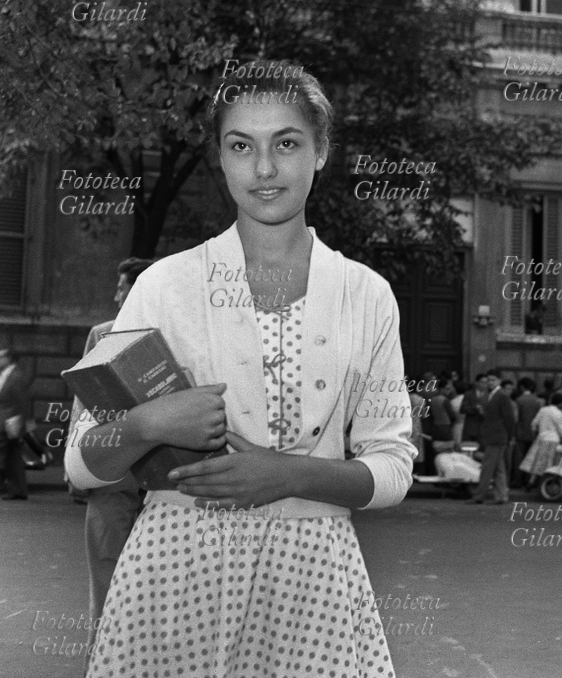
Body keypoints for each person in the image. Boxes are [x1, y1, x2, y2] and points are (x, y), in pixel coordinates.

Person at [65, 61, 417, 677]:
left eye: (286, 143)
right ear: (220, 158)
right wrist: (147, 425)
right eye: (240, 146)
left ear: (321, 151)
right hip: (174, 582)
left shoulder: (366, 295)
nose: (263, 169)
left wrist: (286, 476)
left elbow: (391, 467)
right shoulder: (165, 285)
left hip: (314, 588)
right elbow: (81, 463)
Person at [67, 257, 153, 649]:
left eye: (122, 287)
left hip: (161, 485)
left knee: (153, 595)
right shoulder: (101, 335)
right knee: (106, 590)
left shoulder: (169, 335)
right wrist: (75, 465)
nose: (115, 295)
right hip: (110, 480)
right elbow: (82, 404)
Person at [466, 369, 514, 505]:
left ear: (499, 381)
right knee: (499, 468)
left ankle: (479, 496)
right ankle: (501, 496)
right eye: (488, 380)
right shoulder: (491, 395)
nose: (490, 383)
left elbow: (509, 418)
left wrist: (509, 436)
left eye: (493, 380)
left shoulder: (501, 396)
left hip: (497, 437)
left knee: (487, 467)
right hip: (494, 436)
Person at [519, 391, 562, 492]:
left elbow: (534, 423)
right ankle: (544, 484)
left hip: (541, 439)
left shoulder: (543, 410)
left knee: (538, 462)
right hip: (553, 440)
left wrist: (536, 433)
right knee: (551, 464)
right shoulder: (559, 413)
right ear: (561, 403)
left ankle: (531, 482)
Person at [0, 347, 31, 500]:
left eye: (1, 357)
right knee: (14, 457)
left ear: (9, 359)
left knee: (5, 455)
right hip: (7, 421)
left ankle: (14, 489)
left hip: (10, 422)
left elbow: (22, 401)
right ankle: (19, 490)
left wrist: (24, 422)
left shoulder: (15, 376)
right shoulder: (5, 375)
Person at [510, 377, 542, 487]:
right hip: (533, 433)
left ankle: (517, 480)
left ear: (521, 387)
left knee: (518, 458)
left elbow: (515, 418)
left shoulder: (518, 400)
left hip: (520, 432)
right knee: (531, 458)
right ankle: (529, 480)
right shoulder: (537, 401)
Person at [461, 373, 488, 443]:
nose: (484, 385)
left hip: (483, 429)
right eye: (482, 382)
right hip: (470, 428)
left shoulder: (489, 395)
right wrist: (475, 408)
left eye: (486, 383)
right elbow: (462, 409)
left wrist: (483, 412)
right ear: (476, 382)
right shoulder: (468, 394)